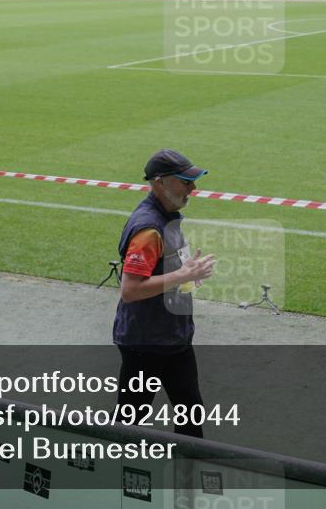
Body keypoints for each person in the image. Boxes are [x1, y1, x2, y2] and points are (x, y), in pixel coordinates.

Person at [113, 149, 216, 438]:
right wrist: (183, 275)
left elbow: (166, 273)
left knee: (191, 412)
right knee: (130, 421)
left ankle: (186, 478)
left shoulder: (168, 217)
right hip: (147, 343)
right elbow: (131, 290)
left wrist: (188, 277)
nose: (193, 189)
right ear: (160, 183)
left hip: (173, 337)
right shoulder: (148, 229)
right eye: (185, 182)